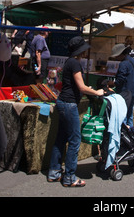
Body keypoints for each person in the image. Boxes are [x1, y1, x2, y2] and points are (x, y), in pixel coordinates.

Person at [47, 36, 104, 187]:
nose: (86, 52)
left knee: (61, 138)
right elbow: (81, 87)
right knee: (74, 140)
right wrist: (96, 92)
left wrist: (88, 91)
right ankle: (69, 177)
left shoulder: (69, 62)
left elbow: (75, 86)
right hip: (68, 104)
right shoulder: (75, 63)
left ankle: (54, 172)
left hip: (63, 102)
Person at [108, 43, 134, 127]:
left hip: (125, 91)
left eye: (117, 56)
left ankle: (123, 134)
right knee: (130, 115)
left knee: (123, 114)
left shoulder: (123, 64)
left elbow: (120, 80)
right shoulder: (132, 60)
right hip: (133, 90)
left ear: (121, 54)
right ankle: (130, 133)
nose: (116, 58)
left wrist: (113, 83)